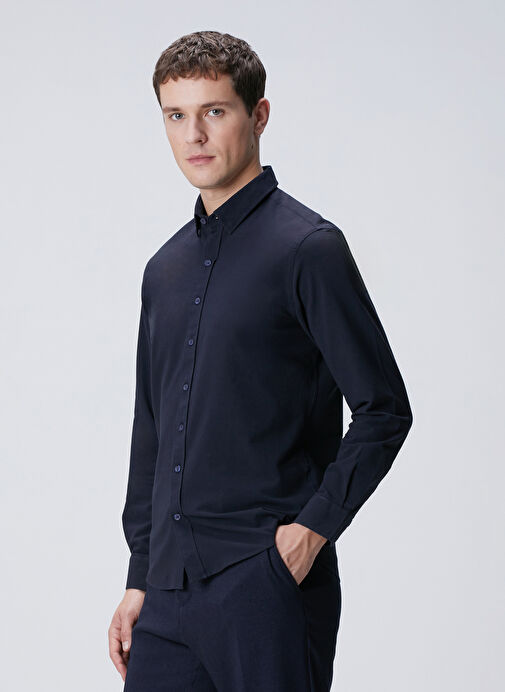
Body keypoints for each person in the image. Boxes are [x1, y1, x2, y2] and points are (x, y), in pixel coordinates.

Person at [108, 30, 413, 692]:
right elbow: (151, 430)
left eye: (214, 111)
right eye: (175, 115)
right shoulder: (163, 270)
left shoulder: (308, 249)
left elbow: (384, 409)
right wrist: (139, 577)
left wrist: (309, 535)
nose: (194, 135)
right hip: (166, 593)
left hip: (264, 584)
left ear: (259, 115)